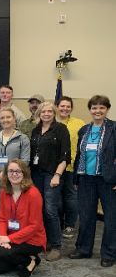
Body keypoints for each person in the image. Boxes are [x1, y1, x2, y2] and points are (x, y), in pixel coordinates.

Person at [70, 95, 116, 268]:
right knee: (86, 216)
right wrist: (76, 178)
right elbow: (79, 155)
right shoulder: (84, 130)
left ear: (107, 109)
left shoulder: (114, 128)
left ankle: (109, 253)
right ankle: (83, 249)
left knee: (111, 218)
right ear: (90, 110)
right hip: (86, 179)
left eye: (101, 108)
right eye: (94, 108)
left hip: (108, 180)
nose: (98, 111)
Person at [0, 108, 30, 248]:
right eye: (2, 118)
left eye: (8, 117)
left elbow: (25, 160)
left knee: (13, 209)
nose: (5, 120)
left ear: (14, 119)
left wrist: (8, 174)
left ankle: (11, 235)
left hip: (15, 180)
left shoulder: (22, 138)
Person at [30, 102, 70, 262]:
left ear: (54, 113)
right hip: (36, 174)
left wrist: (57, 175)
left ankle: (56, 246)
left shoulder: (61, 129)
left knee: (50, 209)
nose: (46, 114)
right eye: (43, 111)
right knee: (38, 208)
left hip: (52, 174)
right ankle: (42, 241)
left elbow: (65, 155)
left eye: (49, 111)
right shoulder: (35, 131)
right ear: (39, 113)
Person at [0, 159, 46, 277]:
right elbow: (1, 218)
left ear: (24, 173)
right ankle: (24, 258)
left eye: (18, 171)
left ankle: (31, 261)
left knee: (2, 251)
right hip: (10, 235)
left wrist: (9, 239)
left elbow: (34, 226)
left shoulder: (33, 194)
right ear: (6, 174)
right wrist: (2, 236)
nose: (14, 174)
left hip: (32, 239)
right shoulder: (4, 192)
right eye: (11, 171)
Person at [57, 96, 86, 239]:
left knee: (71, 198)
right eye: (62, 106)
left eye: (68, 106)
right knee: (56, 199)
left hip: (72, 167)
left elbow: (84, 146)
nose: (65, 109)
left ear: (72, 108)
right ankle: (58, 224)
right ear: (57, 107)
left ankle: (70, 225)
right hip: (54, 168)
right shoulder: (51, 122)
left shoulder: (79, 123)